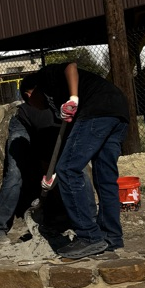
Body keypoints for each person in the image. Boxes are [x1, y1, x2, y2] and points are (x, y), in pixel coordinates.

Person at [37, 60, 129, 260]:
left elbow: (70, 66)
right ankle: (111, 237)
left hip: (97, 110)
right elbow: (71, 144)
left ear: (29, 93)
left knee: (69, 170)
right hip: (118, 111)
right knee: (105, 177)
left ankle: (89, 237)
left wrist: (73, 98)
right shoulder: (59, 106)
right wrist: (53, 174)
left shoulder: (43, 78)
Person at [0, 72, 70, 245]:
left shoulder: (62, 105)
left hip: (48, 134)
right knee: (14, 174)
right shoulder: (37, 109)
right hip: (22, 126)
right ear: (29, 95)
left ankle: (65, 215)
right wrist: (49, 174)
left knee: (68, 169)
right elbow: (44, 150)